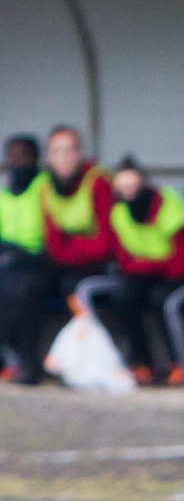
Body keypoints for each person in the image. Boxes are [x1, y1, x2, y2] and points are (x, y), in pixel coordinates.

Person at [97, 157, 184, 386]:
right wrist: (150, 266)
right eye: (123, 189)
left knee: (163, 300)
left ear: (144, 183)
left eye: (133, 187)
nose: (130, 194)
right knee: (124, 298)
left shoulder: (167, 203)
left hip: (181, 273)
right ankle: (142, 363)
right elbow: (125, 262)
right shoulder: (119, 213)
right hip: (149, 272)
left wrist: (148, 265)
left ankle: (179, 365)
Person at [41, 125, 116, 287]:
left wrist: (72, 243)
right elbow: (54, 247)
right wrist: (81, 243)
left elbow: (105, 245)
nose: (65, 157)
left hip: (102, 265)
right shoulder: (46, 190)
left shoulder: (98, 183)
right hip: (68, 262)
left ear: (80, 154)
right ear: (48, 158)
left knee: (69, 284)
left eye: (71, 150)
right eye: (57, 151)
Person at [0, 134, 48, 383]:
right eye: (12, 157)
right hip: (11, 263)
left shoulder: (45, 187)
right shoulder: (5, 194)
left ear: (35, 159)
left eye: (23, 156)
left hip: (43, 261)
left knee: (21, 291)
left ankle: (28, 364)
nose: (17, 162)